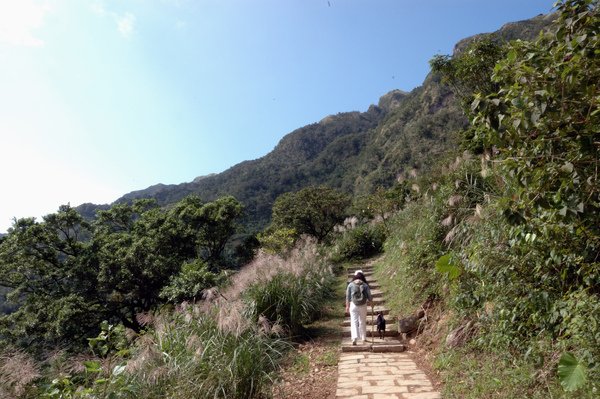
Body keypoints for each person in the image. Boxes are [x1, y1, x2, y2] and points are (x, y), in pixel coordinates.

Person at [345, 270, 373, 345]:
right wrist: (371, 303)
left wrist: (347, 306)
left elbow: (347, 297)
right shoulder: (365, 285)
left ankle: (354, 338)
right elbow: (369, 296)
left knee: (354, 322)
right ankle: (363, 338)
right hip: (363, 305)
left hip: (353, 305)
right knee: (362, 321)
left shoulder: (350, 285)